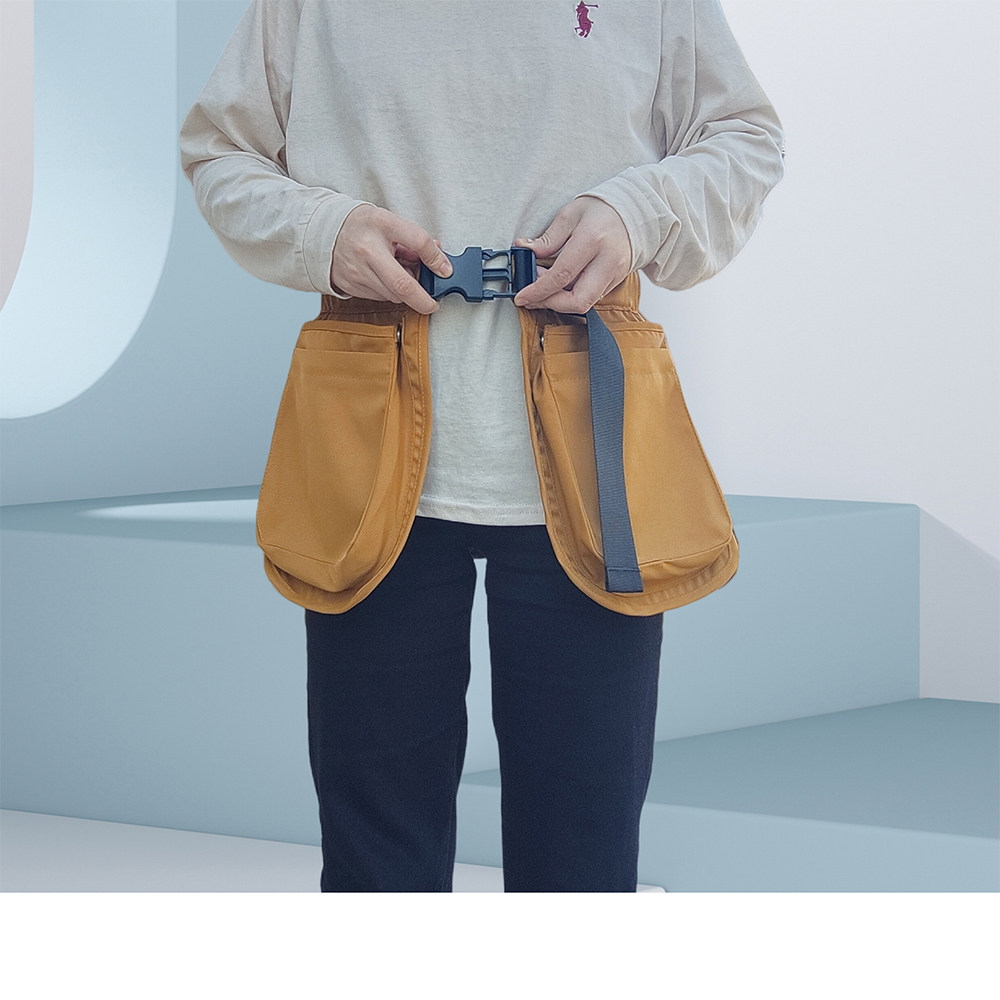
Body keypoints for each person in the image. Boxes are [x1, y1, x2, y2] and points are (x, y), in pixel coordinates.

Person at [179, 0, 784, 892]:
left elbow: (745, 137)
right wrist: (325, 232)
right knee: (376, 873)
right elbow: (220, 150)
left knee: (582, 869)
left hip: (592, 457)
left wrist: (637, 211)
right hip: (371, 455)